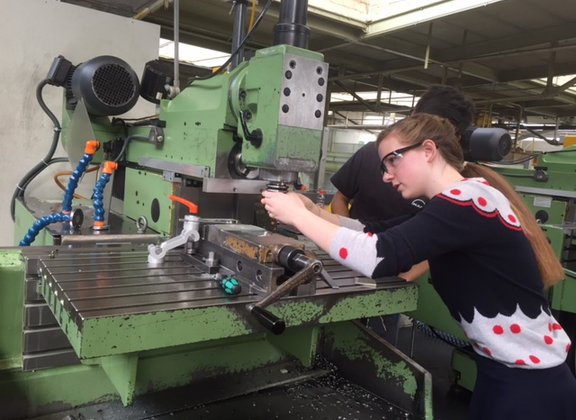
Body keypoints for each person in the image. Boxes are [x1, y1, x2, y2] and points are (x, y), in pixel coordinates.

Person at [262, 114, 576, 420]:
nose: (386, 175)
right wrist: (314, 211)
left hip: (530, 386)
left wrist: (297, 217)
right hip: (504, 371)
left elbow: (377, 255)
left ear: (428, 150)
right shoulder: (460, 201)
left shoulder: (468, 201)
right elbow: (376, 233)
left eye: (392, 160)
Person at [329, 85, 474, 223]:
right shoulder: (371, 153)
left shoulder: (457, 197)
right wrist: (347, 233)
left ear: (456, 138)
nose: (387, 176)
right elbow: (341, 199)